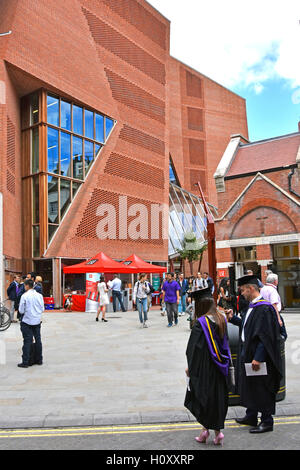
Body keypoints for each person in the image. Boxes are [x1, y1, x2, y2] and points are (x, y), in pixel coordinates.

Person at [226, 275, 282, 434]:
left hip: (259, 356)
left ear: (251, 289)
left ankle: (267, 421)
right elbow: (247, 327)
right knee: (251, 386)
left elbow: (265, 336)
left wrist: (258, 358)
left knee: (262, 388)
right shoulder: (252, 307)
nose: (242, 294)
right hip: (249, 353)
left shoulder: (264, 308)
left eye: (243, 290)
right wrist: (233, 319)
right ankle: (251, 416)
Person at [184, 287, 231, 446]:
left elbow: (193, 350)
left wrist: (190, 368)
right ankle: (216, 433)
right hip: (220, 367)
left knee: (203, 398)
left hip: (205, 369)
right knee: (217, 399)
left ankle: (205, 431)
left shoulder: (200, 324)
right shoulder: (221, 318)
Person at [18, 279, 44, 368]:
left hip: (27, 321)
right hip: (36, 321)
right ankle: (39, 359)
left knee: (27, 341)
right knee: (38, 340)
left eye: (24, 286)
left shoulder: (24, 296)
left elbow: (21, 310)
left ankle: (25, 361)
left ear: (27, 286)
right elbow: (42, 308)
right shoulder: (39, 295)